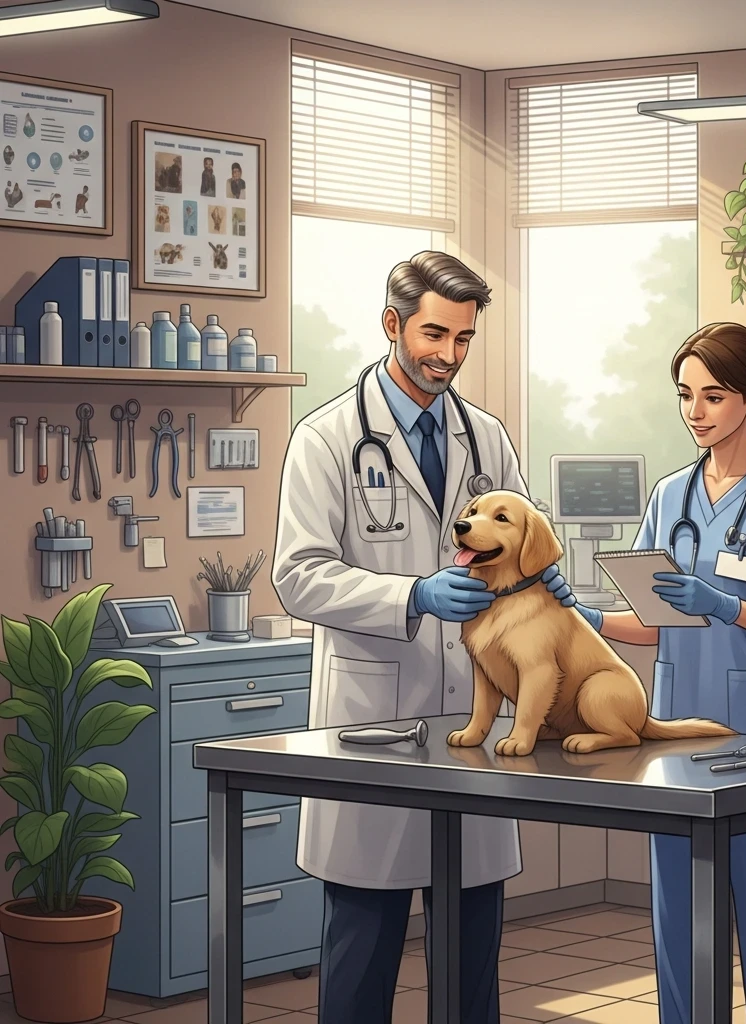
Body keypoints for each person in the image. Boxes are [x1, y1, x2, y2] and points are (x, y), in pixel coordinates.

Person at [272, 251, 574, 1024]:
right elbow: (299, 575)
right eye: (434, 335)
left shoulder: (488, 439)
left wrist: (546, 579)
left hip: (471, 722)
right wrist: (411, 594)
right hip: (374, 718)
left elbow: (520, 543)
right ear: (392, 324)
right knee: (362, 950)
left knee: (471, 957)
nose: (448, 355)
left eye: (464, 339)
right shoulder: (329, 438)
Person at [574, 322, 746, 1024]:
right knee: (680, 916)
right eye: (685, 396)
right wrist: (585, 616)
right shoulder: (669, 497)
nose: (696, 411)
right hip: (674, 734)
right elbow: (653, 621)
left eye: (714, 396)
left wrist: (729, 606)